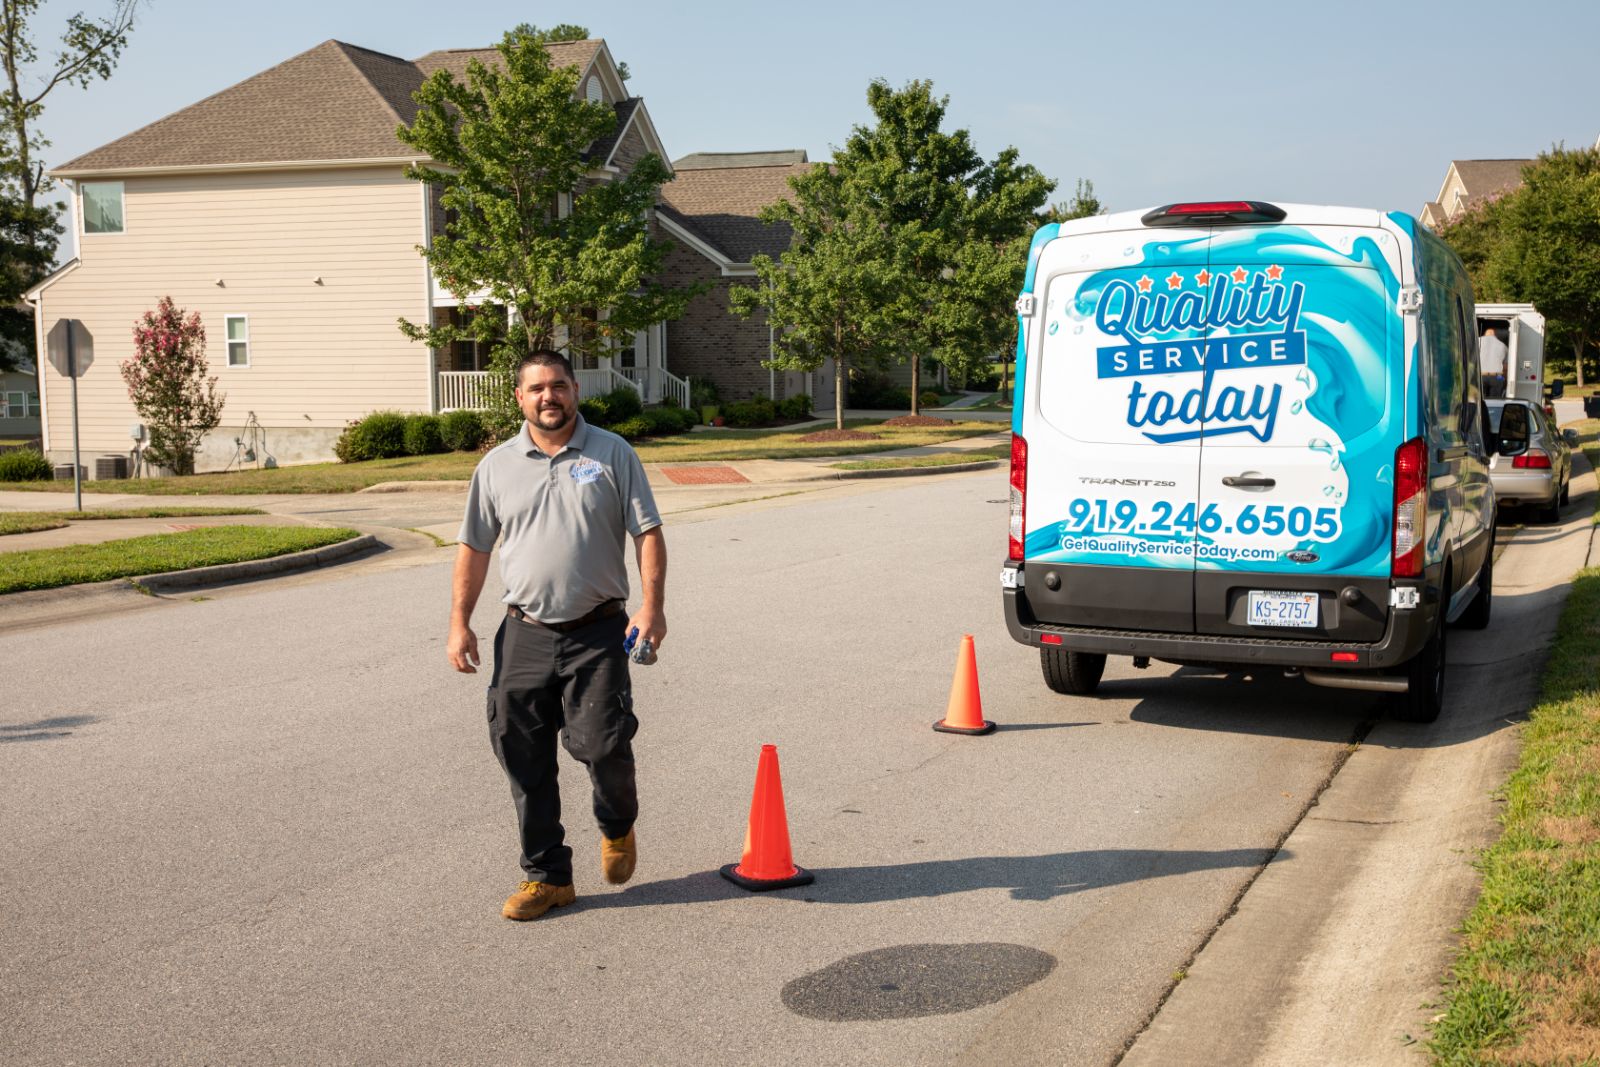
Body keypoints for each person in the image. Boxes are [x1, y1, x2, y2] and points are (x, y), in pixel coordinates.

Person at [448, 349, 667, 921]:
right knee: (522, 755)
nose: (550, 396)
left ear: (575, 390)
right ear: (519, 397)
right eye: (537, 388)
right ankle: (548, 877)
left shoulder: (612, 453)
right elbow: (474, 547)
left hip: (598, 630)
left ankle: (617, 825)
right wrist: (459, 622)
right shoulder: (496, 466)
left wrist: (652, 607)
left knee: (602, 744)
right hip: (523, 632)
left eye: (559, 385)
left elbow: (647, 532)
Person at [1478, 325, 1508, 398]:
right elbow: (1505, 367)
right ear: (1494, 334)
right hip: (1497, 376)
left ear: (1485, 334)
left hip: (1481, 376)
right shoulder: (1503, 345)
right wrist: (1505, 380)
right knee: (1495, 400)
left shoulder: (1478, 341)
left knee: (1480, 399)